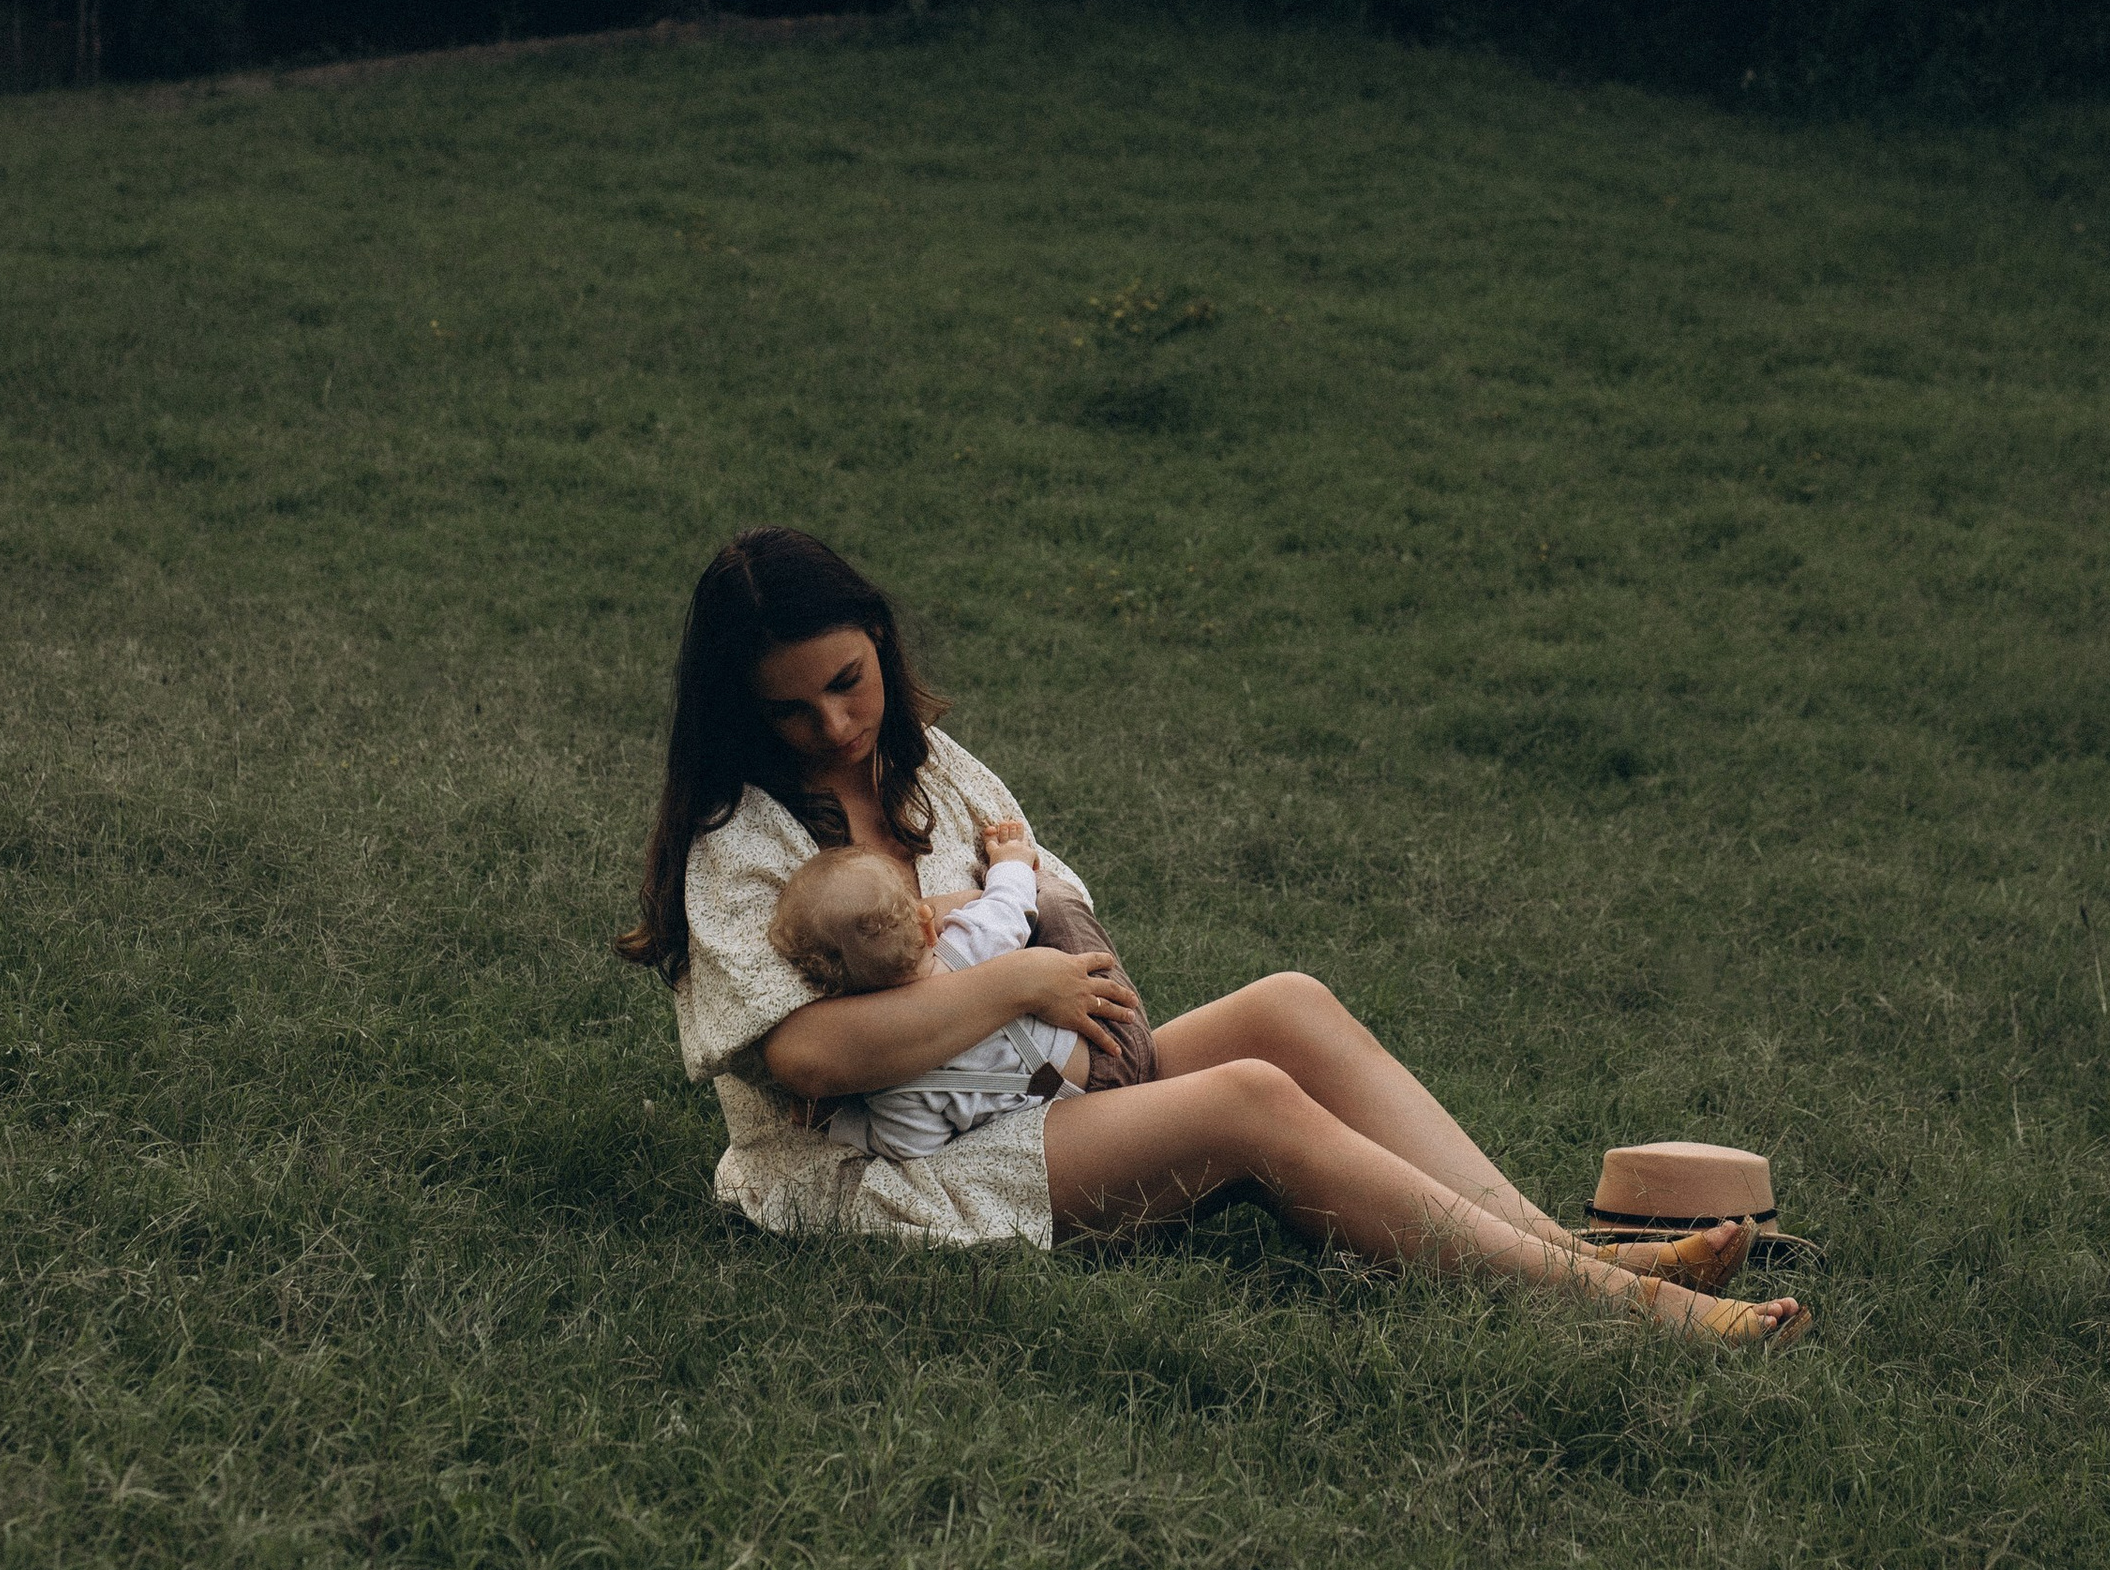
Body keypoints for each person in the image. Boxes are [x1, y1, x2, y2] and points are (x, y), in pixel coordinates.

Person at [618, 527, 1809, 1343]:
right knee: (1246, 1101)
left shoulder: (929, 769)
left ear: (881, 644)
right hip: (883, 1171)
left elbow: (1049, 891)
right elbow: (811, 1060)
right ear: (742, 712)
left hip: (1021, 1092)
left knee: (1287, 1001)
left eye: (849, 681)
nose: (833, 724)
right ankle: (1632, 1317)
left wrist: (1087, 1015)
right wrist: (1023, 981)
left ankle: (1572, 1249)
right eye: (793, 707)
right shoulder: (744, 835)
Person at [769, 811, 1096, 1161]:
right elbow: (1010, 903)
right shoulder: (970, 945)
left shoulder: (891, 1085)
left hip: (1062, 1111)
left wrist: (835, 1123)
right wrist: (1010, 859)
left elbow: (908, 1144)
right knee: (1055, 900)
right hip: (1101, 1051)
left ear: (828, 988)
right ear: (926, 927)